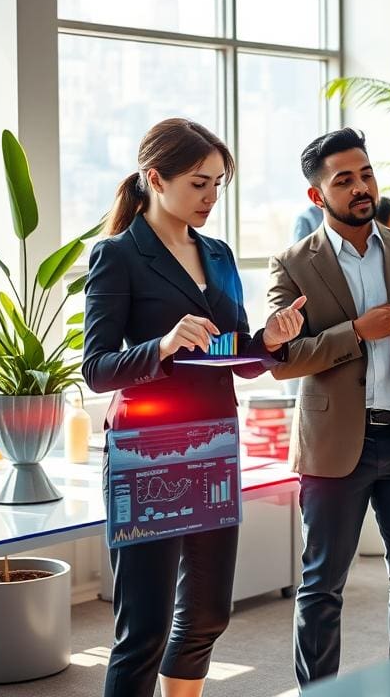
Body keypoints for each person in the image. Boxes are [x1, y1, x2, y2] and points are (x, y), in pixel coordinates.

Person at [82, 118, 304, 697]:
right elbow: (97, 369)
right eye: (199, 183)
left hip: (213, 442)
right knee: (145, 628)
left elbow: (234, 353)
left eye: (218, 184)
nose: (210, 197)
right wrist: (161, 345)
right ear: (155, 178)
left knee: (208, 614)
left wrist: (269, 342)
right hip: (147, 451)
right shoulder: (117, 256)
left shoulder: (220, 254)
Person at [266, 128, 390, 688]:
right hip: (333, 445)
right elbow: (282, 359)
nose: (360, 187)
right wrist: (356, 331)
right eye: (343, 179)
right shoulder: (292, 264)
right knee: (323, 583)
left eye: (366, 173)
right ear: (317, 195)